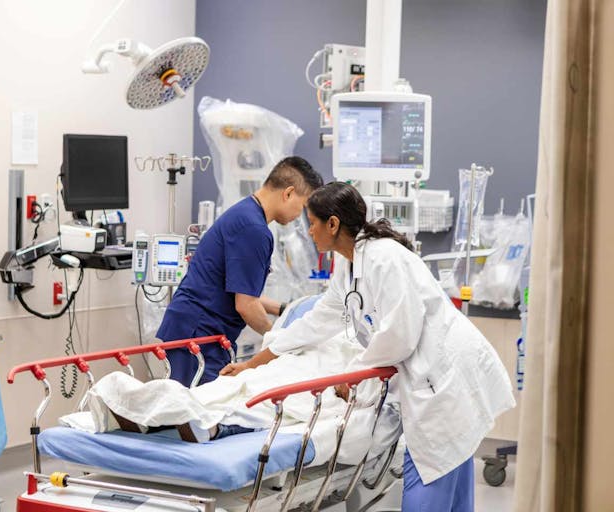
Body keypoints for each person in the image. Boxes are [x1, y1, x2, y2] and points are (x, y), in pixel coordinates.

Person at [221, 182, 516, 512]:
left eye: (313, 222)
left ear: (333, 224)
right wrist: (253, 364)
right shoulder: (347, 266)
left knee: (434, 473)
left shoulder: (384, 258)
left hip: (443, 378)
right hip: (433, 380)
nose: (310, 231)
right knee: (453, 479)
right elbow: (315, 323)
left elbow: (400, 334)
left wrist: (353, 376)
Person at [156, 156, 323, 386]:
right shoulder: (254, 230)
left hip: (194, 329)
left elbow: (241, 289)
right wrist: (280, 341)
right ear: (288, 193)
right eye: (303, 207)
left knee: (192, 411)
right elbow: (245, 305)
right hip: (198, 335)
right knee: (197, 415)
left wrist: (284, 309)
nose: (300, 217)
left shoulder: (245, 214)